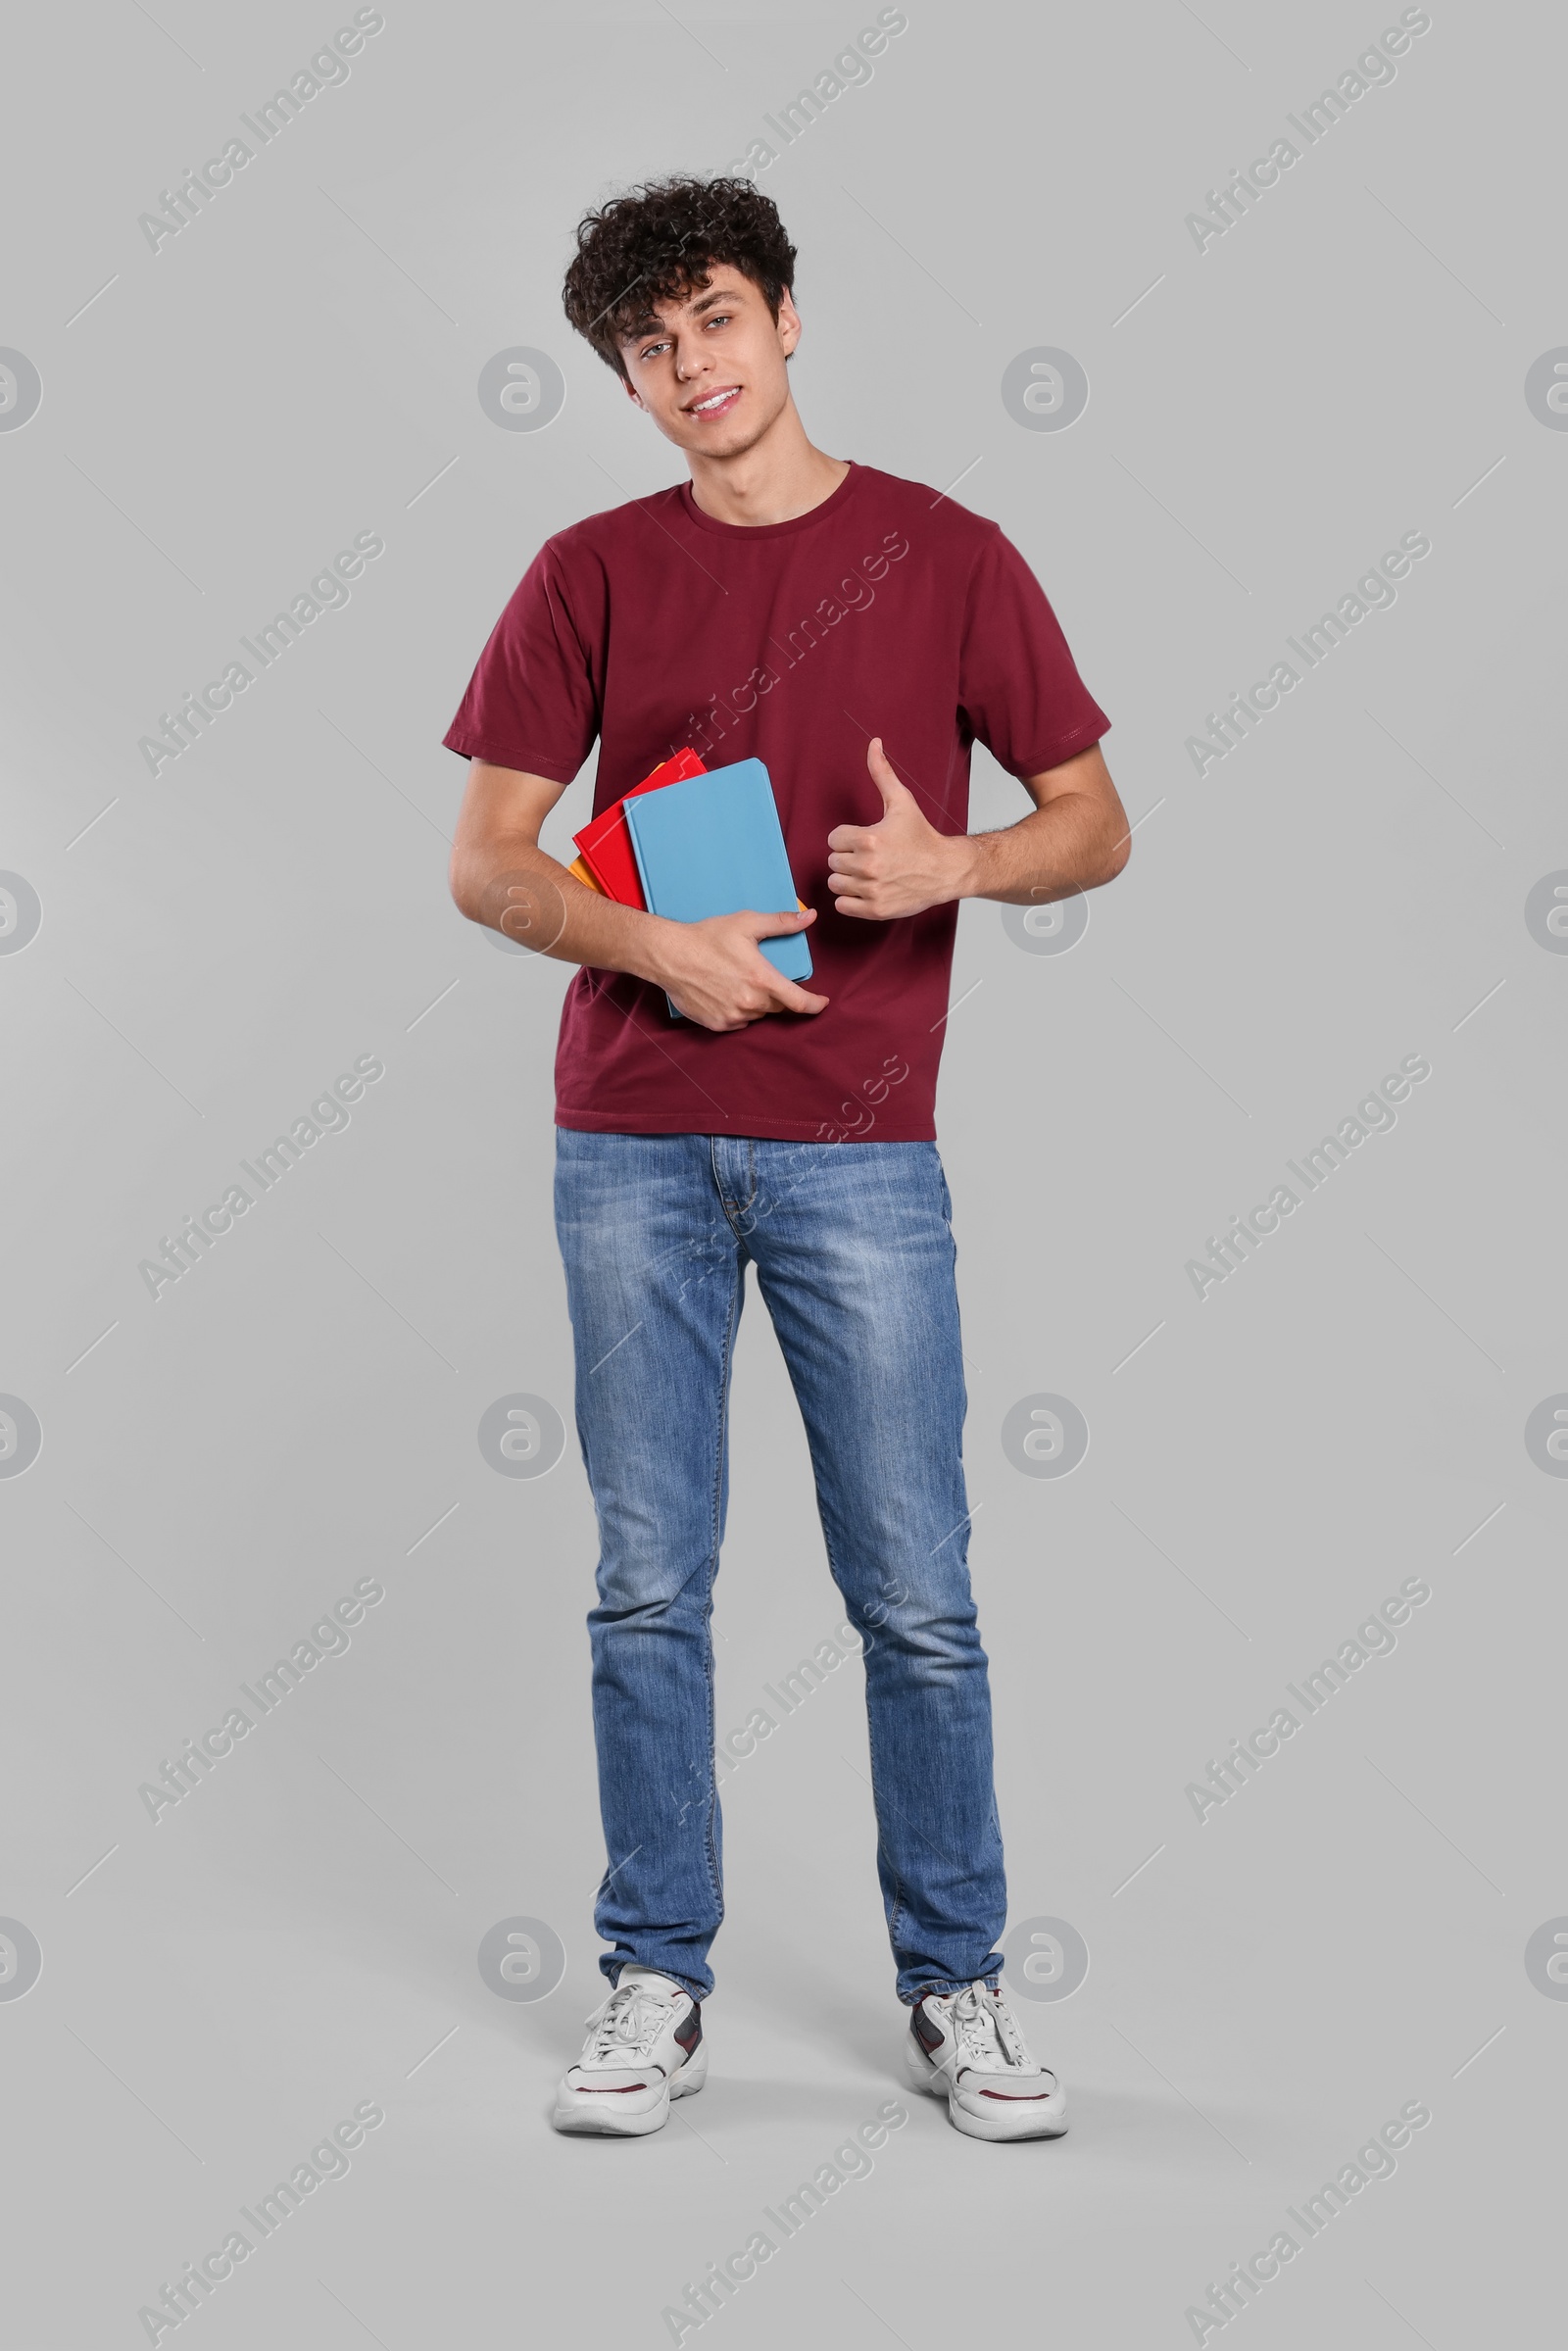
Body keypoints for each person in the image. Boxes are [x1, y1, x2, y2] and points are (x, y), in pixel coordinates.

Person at [445, 175, 1129, 2141]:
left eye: (715, 321)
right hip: (631, 1149)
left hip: (856, 1156)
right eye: (647, 348)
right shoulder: (583, 571)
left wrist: (957, 867)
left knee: (913, 1592)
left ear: (788, 321)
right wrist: (651, 942)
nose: (689, 369)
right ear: (625, 378)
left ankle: (960, 1986)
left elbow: (1090, 816)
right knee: (647, 1586)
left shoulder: (948, 555)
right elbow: (487, 861)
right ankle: (653, 1978)